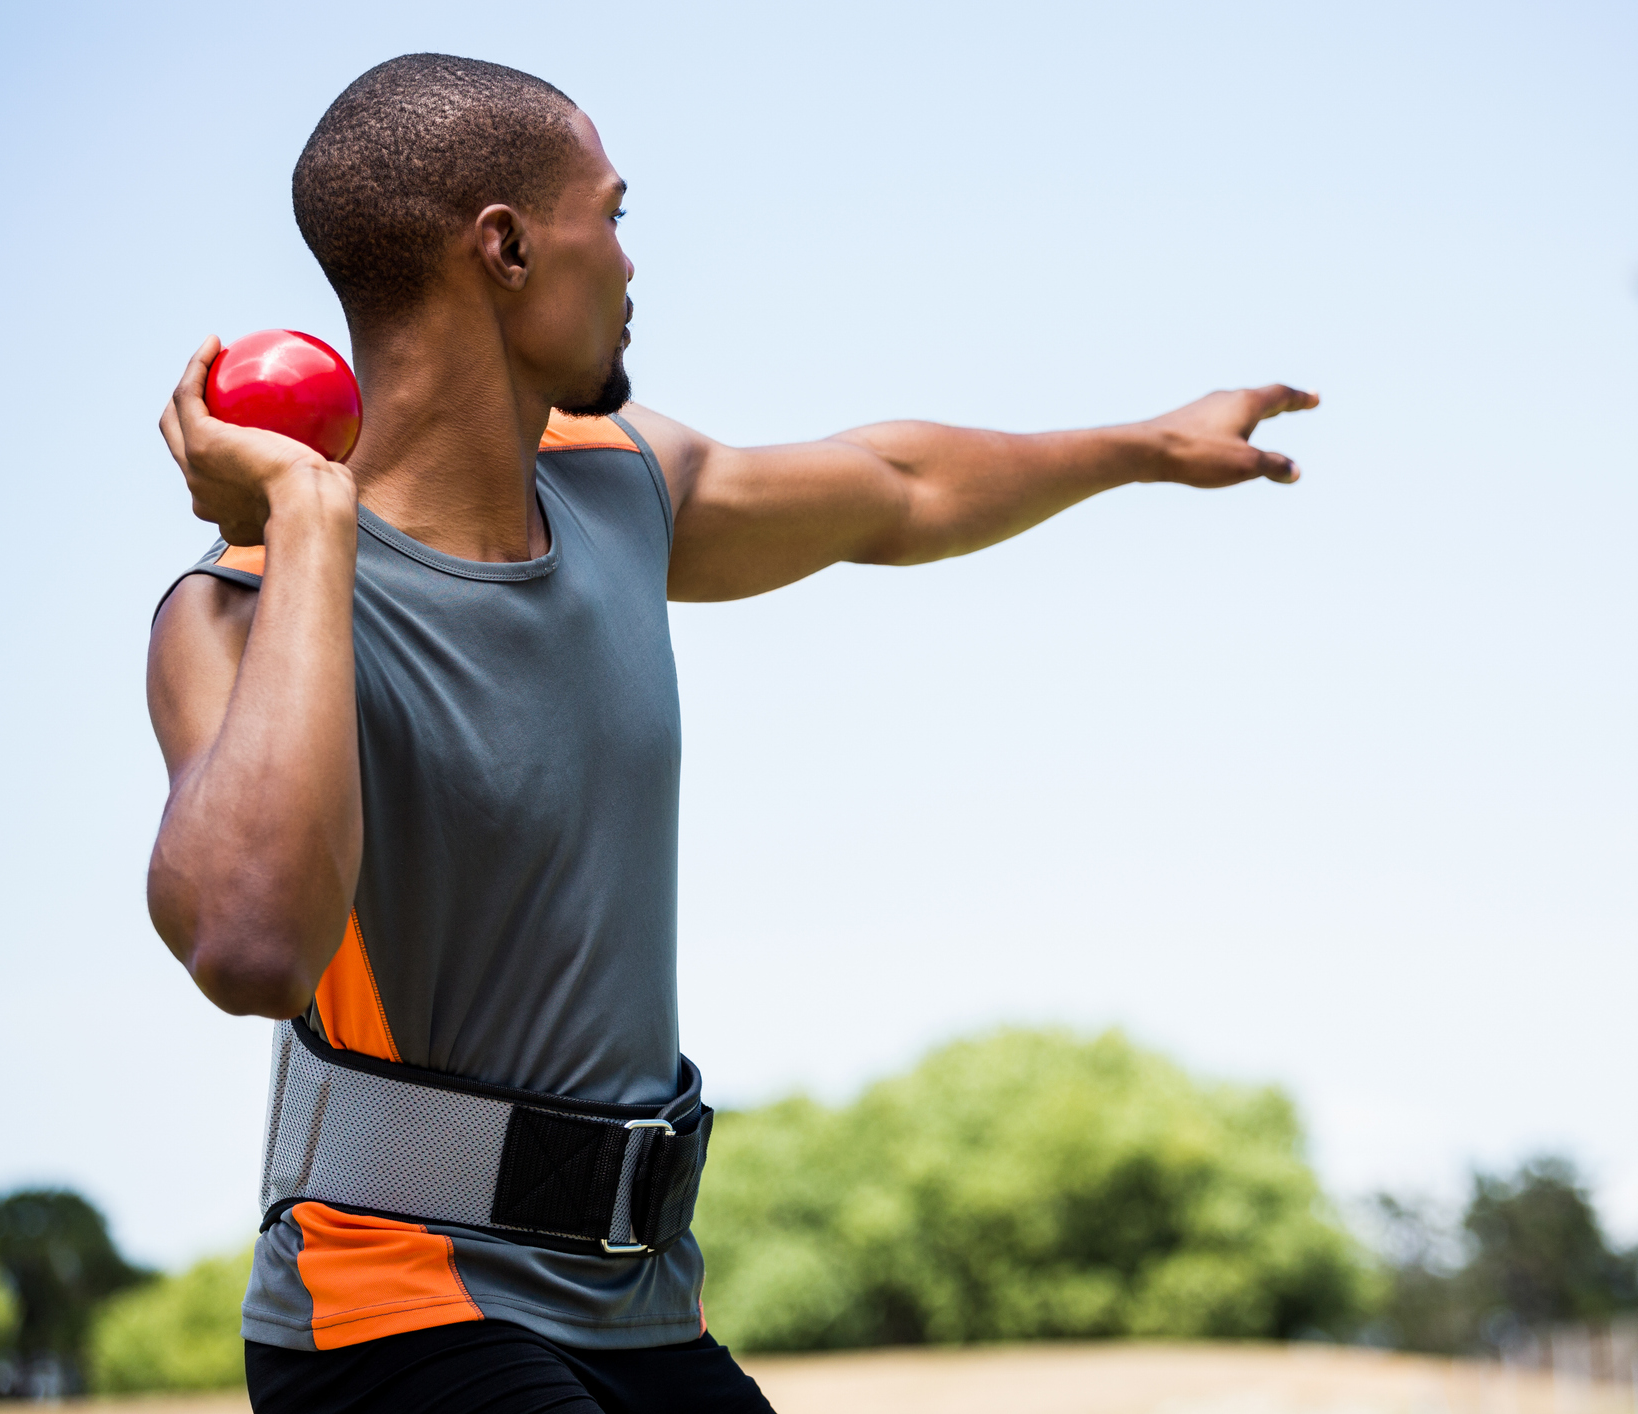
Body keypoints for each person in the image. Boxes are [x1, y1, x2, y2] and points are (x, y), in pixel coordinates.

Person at [147, 52, 1317, 1414]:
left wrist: (1143, 447)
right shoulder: (242, 607)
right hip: (396, 1308)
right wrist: (310, 523)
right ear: (510, 248)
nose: (633, 263)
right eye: (615, 213)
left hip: (639, 1305)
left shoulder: (616, 485)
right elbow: (250, 945)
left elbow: (893, 485)